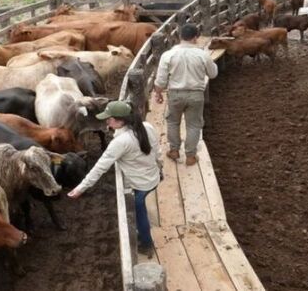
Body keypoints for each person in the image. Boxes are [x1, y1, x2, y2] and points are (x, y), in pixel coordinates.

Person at [67, 100, 161, 257]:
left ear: (120, 121)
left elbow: (100, 168)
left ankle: (147, 244)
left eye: (109, 119)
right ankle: (143, 238)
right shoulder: (147, 127)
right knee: (140, 209)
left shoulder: (120, 142)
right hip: (153, 177)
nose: (106, 121)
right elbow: (157, 150)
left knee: (140, 213)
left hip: (140, 184)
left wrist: (80, 188)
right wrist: (160, 166)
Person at [153, 23, 218, 166]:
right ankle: (190, 156)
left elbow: (161, 79)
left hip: (175, 94)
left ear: (180, 36)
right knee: (194, 125)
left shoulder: (168, 55)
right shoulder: (203, 55)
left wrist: (158, 93)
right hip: (196, 95)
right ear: (196, 37)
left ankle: (174, 150)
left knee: (173, 122)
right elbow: (213, 74)